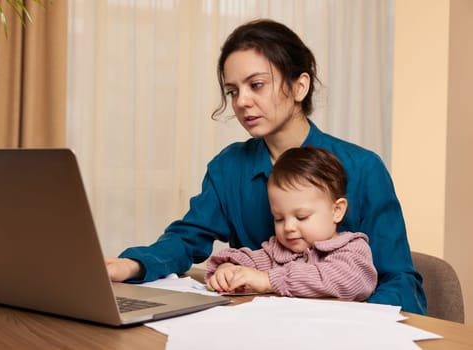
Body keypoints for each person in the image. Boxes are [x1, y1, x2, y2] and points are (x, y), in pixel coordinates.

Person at [105, 18, 427, 314]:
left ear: (300, 86)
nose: (242, 101)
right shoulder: (228, 167)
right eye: (233, 91)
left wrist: (348, 330)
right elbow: (187, 239)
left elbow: (399, 283)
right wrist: (131, 265)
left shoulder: (363, 168)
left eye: (256, 85)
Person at [204, 146, 377, 301]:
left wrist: (267, 280)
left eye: (301, 217)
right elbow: (246, 260)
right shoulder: (276, 252)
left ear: (337, 210)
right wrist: (228, 270)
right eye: (279, 218)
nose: (288, 227)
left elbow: (346, 280)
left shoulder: (353, 249)